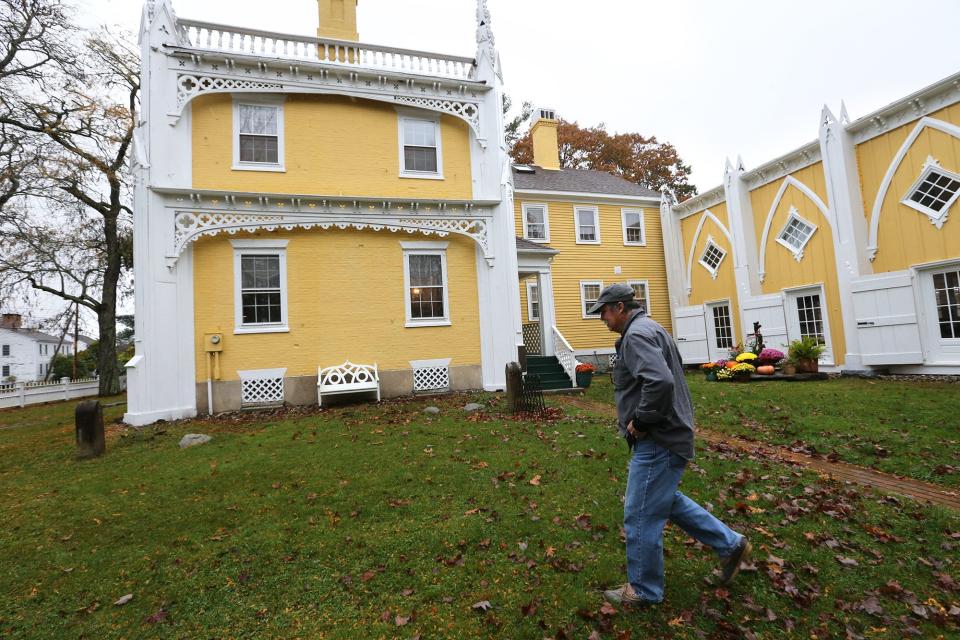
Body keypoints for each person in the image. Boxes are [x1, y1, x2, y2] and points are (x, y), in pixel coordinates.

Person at [589, 283, 751, 607]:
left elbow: (660, 382)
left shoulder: (636, 335)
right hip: (672, 433)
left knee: (639, 513)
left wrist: (643, 421)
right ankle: (731, 545)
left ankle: (644, 590)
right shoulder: (653, 328)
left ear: (620, 307)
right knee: (665, 501)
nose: (602, 319)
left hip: (658, 437)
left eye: (604, 311)